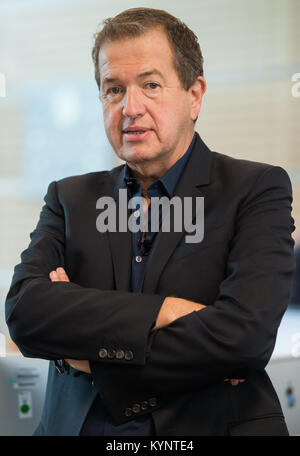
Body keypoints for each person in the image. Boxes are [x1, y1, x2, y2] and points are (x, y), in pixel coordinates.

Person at [5, 7, 295, 436]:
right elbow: (25, 313)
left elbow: (243, 339)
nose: (129, 108)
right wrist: (166, 311)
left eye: (151, 85)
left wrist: (86, 355)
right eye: (113, 89)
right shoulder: (70, 198)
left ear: (195, 95)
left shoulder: (255, 189)